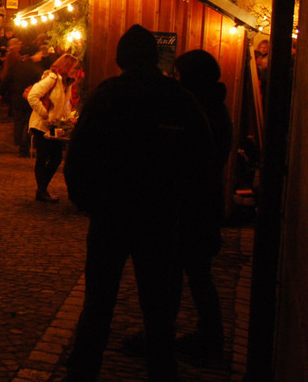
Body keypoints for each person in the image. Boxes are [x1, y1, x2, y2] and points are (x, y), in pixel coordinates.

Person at [62, 25, 214, 381]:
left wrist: (87, 201)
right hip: (159, 217)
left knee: (98, 303)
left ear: (121, 58)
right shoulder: (178, 98)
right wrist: (186, 206)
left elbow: (79, 153)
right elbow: (204, 159)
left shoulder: (107, 96)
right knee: (158, 307)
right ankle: (162, 371)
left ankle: (83, 372)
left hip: (111, 215)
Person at [172, 49, 232, 358]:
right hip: (202, 201)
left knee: (193, 273)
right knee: (196, 273)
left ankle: (208, 338)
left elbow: (195, 158)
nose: (176, 79)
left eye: (180, 74)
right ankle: (207, 335)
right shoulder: (213, 107)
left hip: (195, 203)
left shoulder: (202, 110)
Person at [26, 52, 79, 202]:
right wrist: (45, 114)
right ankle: (42, 191)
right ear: (66, 66)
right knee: (42, 157)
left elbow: (65, 105)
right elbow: (33, 96)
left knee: (56, 158)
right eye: (73, 67)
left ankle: (42, 189)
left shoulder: (67, 83)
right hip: (41, 124)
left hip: (53, 126)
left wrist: (69, 119)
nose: (74, 70)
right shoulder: (52, 79)